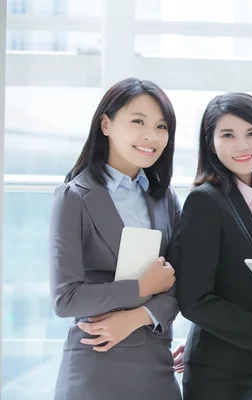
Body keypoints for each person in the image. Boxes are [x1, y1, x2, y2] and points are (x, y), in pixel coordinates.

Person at [49, 78, 181, 400]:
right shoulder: (74, 197)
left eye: (161, 126)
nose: (151, 136)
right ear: (106, 124)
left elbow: (182, 283)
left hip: (157, 367)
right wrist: (141, 288)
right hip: (96, 364)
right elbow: (65, 299)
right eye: (138, 121)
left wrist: (137, 317)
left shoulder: (165, 199)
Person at [175, 92, 252, 400]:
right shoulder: (205, 201)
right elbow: (194, 299)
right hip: (219, 374)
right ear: (210, 142)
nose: (243, 145)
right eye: (228, 135)